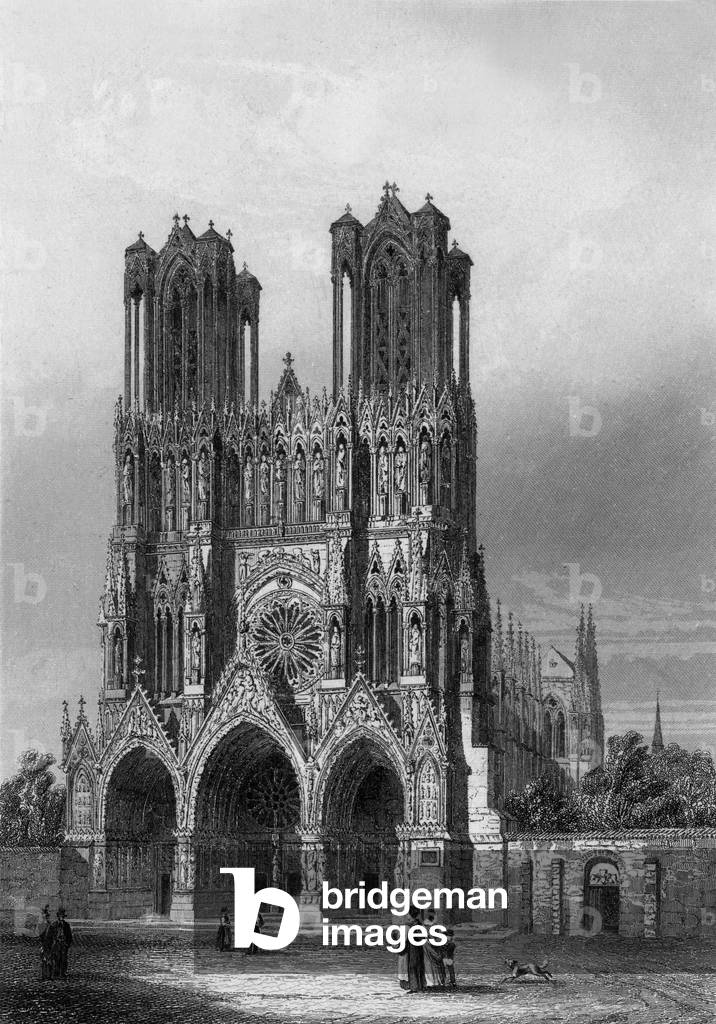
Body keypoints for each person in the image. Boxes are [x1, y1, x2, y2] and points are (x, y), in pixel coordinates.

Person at [405, 908, 426, 993]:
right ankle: (419, 986)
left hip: (415, 947)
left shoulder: (414, 925)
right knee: (417, 965)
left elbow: (420, 936)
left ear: (411, 915)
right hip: (415, 947)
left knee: (413, 965)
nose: (407, 916)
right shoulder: (417, 924)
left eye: (408, 914)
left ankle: (415, 987)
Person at [48, 907, 73, 979]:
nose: (61, 917)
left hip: (63, 944)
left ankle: (62, 973)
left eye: (62, 916)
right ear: (58, 916)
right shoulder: (54, 925)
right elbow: (50, 935)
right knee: (56, 958)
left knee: (63, 958)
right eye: (60, 916)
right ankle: (56, 972)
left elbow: (69, 936)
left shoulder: (66, 925)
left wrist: (67, 944)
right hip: (56, 944)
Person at [423, 911, 445, 989]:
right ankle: (436, 981)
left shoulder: (424, 926)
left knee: (428, 964)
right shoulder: (435, 927)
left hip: (426, 946)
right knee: (433, 964)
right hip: (431, 947)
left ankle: (430, 982)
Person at [39, 904, 52, 980]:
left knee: (49, 960)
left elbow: (53, 936)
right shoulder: (41, 926)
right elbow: (40, 936)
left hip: (50, 945)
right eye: (43, 917)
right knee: (43, 960)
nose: (45, 919)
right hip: (44, 944)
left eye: (46, 917)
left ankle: (49, 975)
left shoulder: (51, 926)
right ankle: (43, 975)